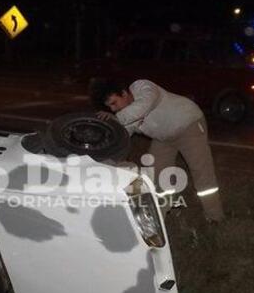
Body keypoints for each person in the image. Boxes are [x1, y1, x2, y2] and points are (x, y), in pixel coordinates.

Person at [94, 79, 225, 222]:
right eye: (110, 107)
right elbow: (123, 135)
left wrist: (117, 118)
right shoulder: (126, 114)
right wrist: (103, 151)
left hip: (189, 126)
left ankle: (215, 217)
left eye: (114, 103)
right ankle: (162, 215)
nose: (113, 109)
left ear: (124, 93)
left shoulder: (143, 87)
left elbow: (142, 107)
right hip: (163, 138)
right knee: (157, 175)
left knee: (201, 171)